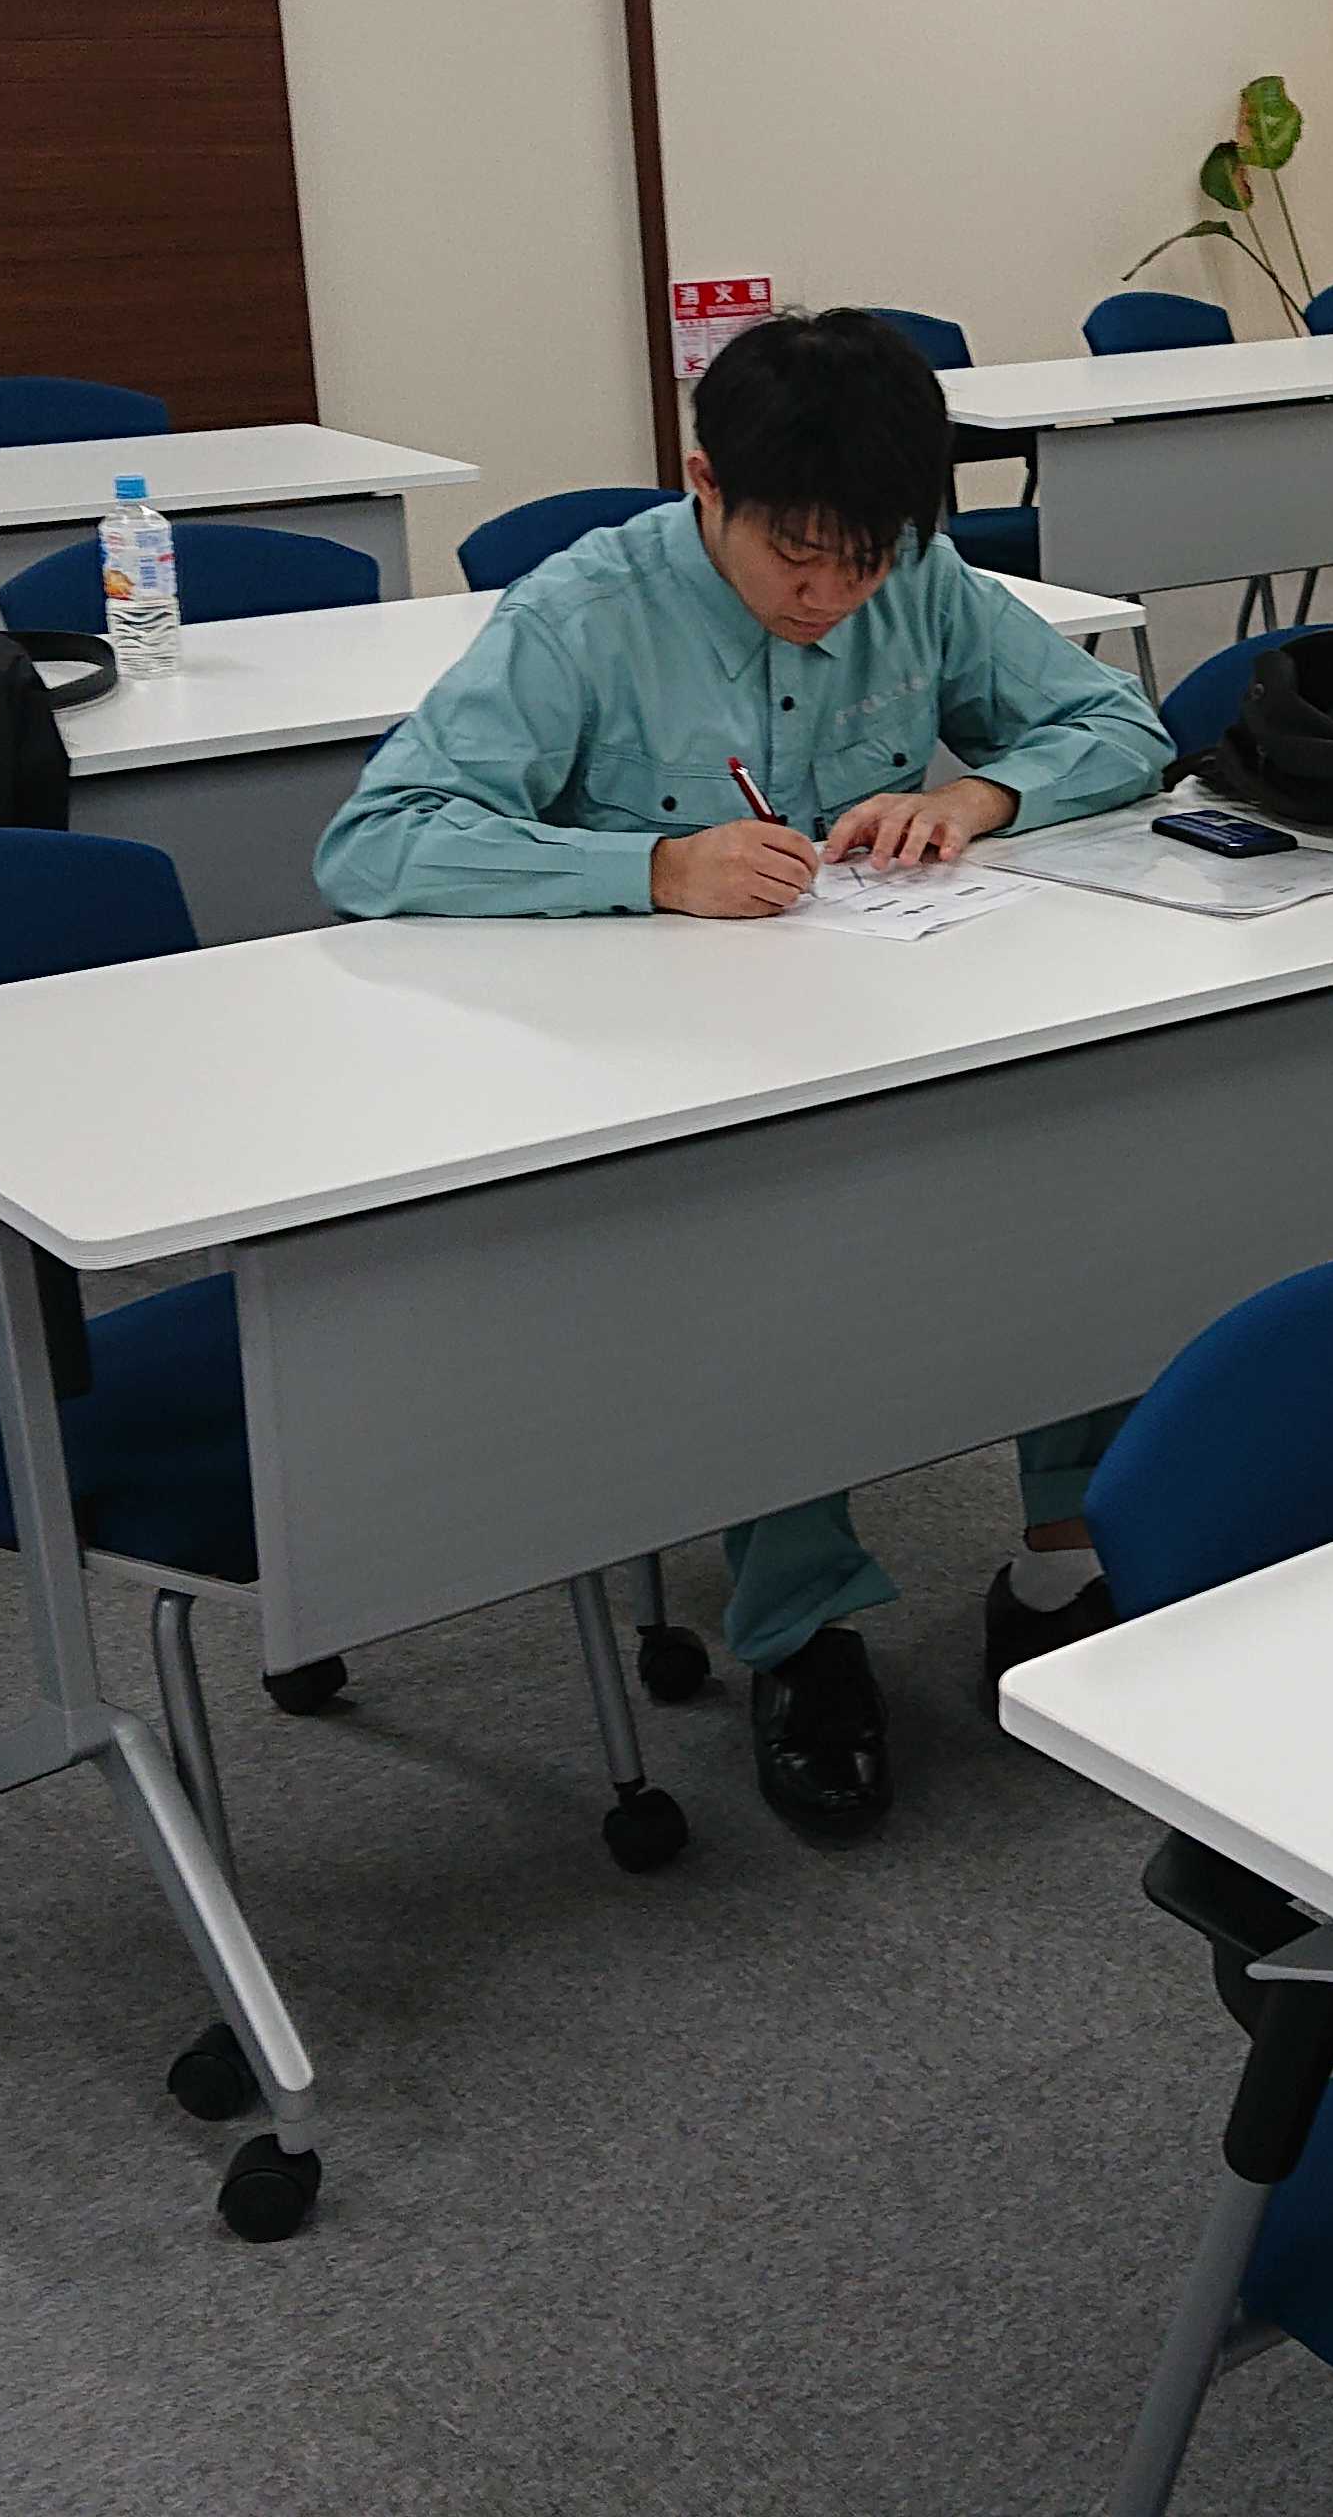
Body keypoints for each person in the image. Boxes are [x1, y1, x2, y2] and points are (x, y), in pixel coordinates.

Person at [315, 308, 1175, 1838]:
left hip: (886, 1017)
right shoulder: (584, 613)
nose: (828, 596)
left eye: (864, 561)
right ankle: (801, 1630)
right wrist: (649, 869)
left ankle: (1060, 1561)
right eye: (796, 556)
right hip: (663, 1079)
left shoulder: (915, 577)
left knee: (1076, 1156)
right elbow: (376, 841)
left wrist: (978, 795)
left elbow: (1117, 723)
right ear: (705, 483)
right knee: (787, 1241)